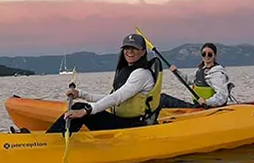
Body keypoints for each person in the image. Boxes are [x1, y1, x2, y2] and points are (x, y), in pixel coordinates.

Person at [48, 33, 194, 133]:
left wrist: (86, 110)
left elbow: (117, 98)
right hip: (123, 120)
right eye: (127, 48)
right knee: (79, 106)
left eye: (134, 48)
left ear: (143, 52)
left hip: (134, 125)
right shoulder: (129, 71)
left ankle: (50, 142)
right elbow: (111, 98)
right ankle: (51, 138)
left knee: (80, 108)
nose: (130, 51)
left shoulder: (141, 74)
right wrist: (80, 94)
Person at [169, 42, 232, 107]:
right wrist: (176, 72)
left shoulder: (217, 74)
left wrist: (207, 102)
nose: (206, 56)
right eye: (204, 54)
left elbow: (222, 95)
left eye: (209, 54)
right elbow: (187, 80)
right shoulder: (200, 71)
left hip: (208, 109)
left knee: (164, 99)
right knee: (163, 97)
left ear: (214, 56)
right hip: (198, 107)